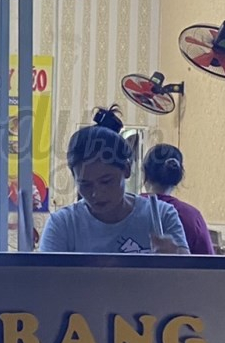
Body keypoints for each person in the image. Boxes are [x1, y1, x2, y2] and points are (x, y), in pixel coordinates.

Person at [40, 107, 189, 255]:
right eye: (85, 184)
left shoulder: (162, 216)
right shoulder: (63, 225)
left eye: (106, 181)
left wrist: (174, 260)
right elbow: (45, 272)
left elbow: (186, 269)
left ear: (126, 169)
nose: (96, 193)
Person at [142, 144, 216, 255]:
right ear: (178, 177)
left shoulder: (128, 209)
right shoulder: (192, 217)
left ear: (144, 173)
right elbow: (208, 263)